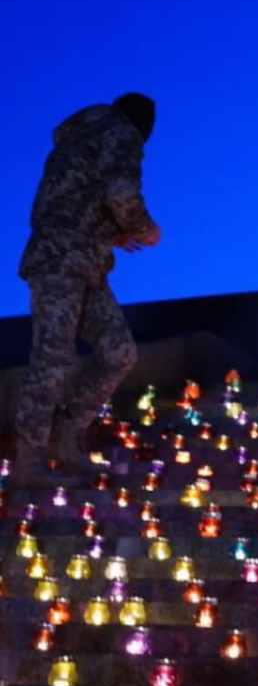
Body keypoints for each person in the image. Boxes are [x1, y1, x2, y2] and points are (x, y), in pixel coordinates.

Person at [11, 93, 162, 489]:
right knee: (53, 359)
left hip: (87, 263)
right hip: (60, 262)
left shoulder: (79, 141)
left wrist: (112, 233)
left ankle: (68, 437)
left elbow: (75, 201)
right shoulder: (119, 133)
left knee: (118, 350)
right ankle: (29, 460)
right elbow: (120, 192)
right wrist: (146, 229)